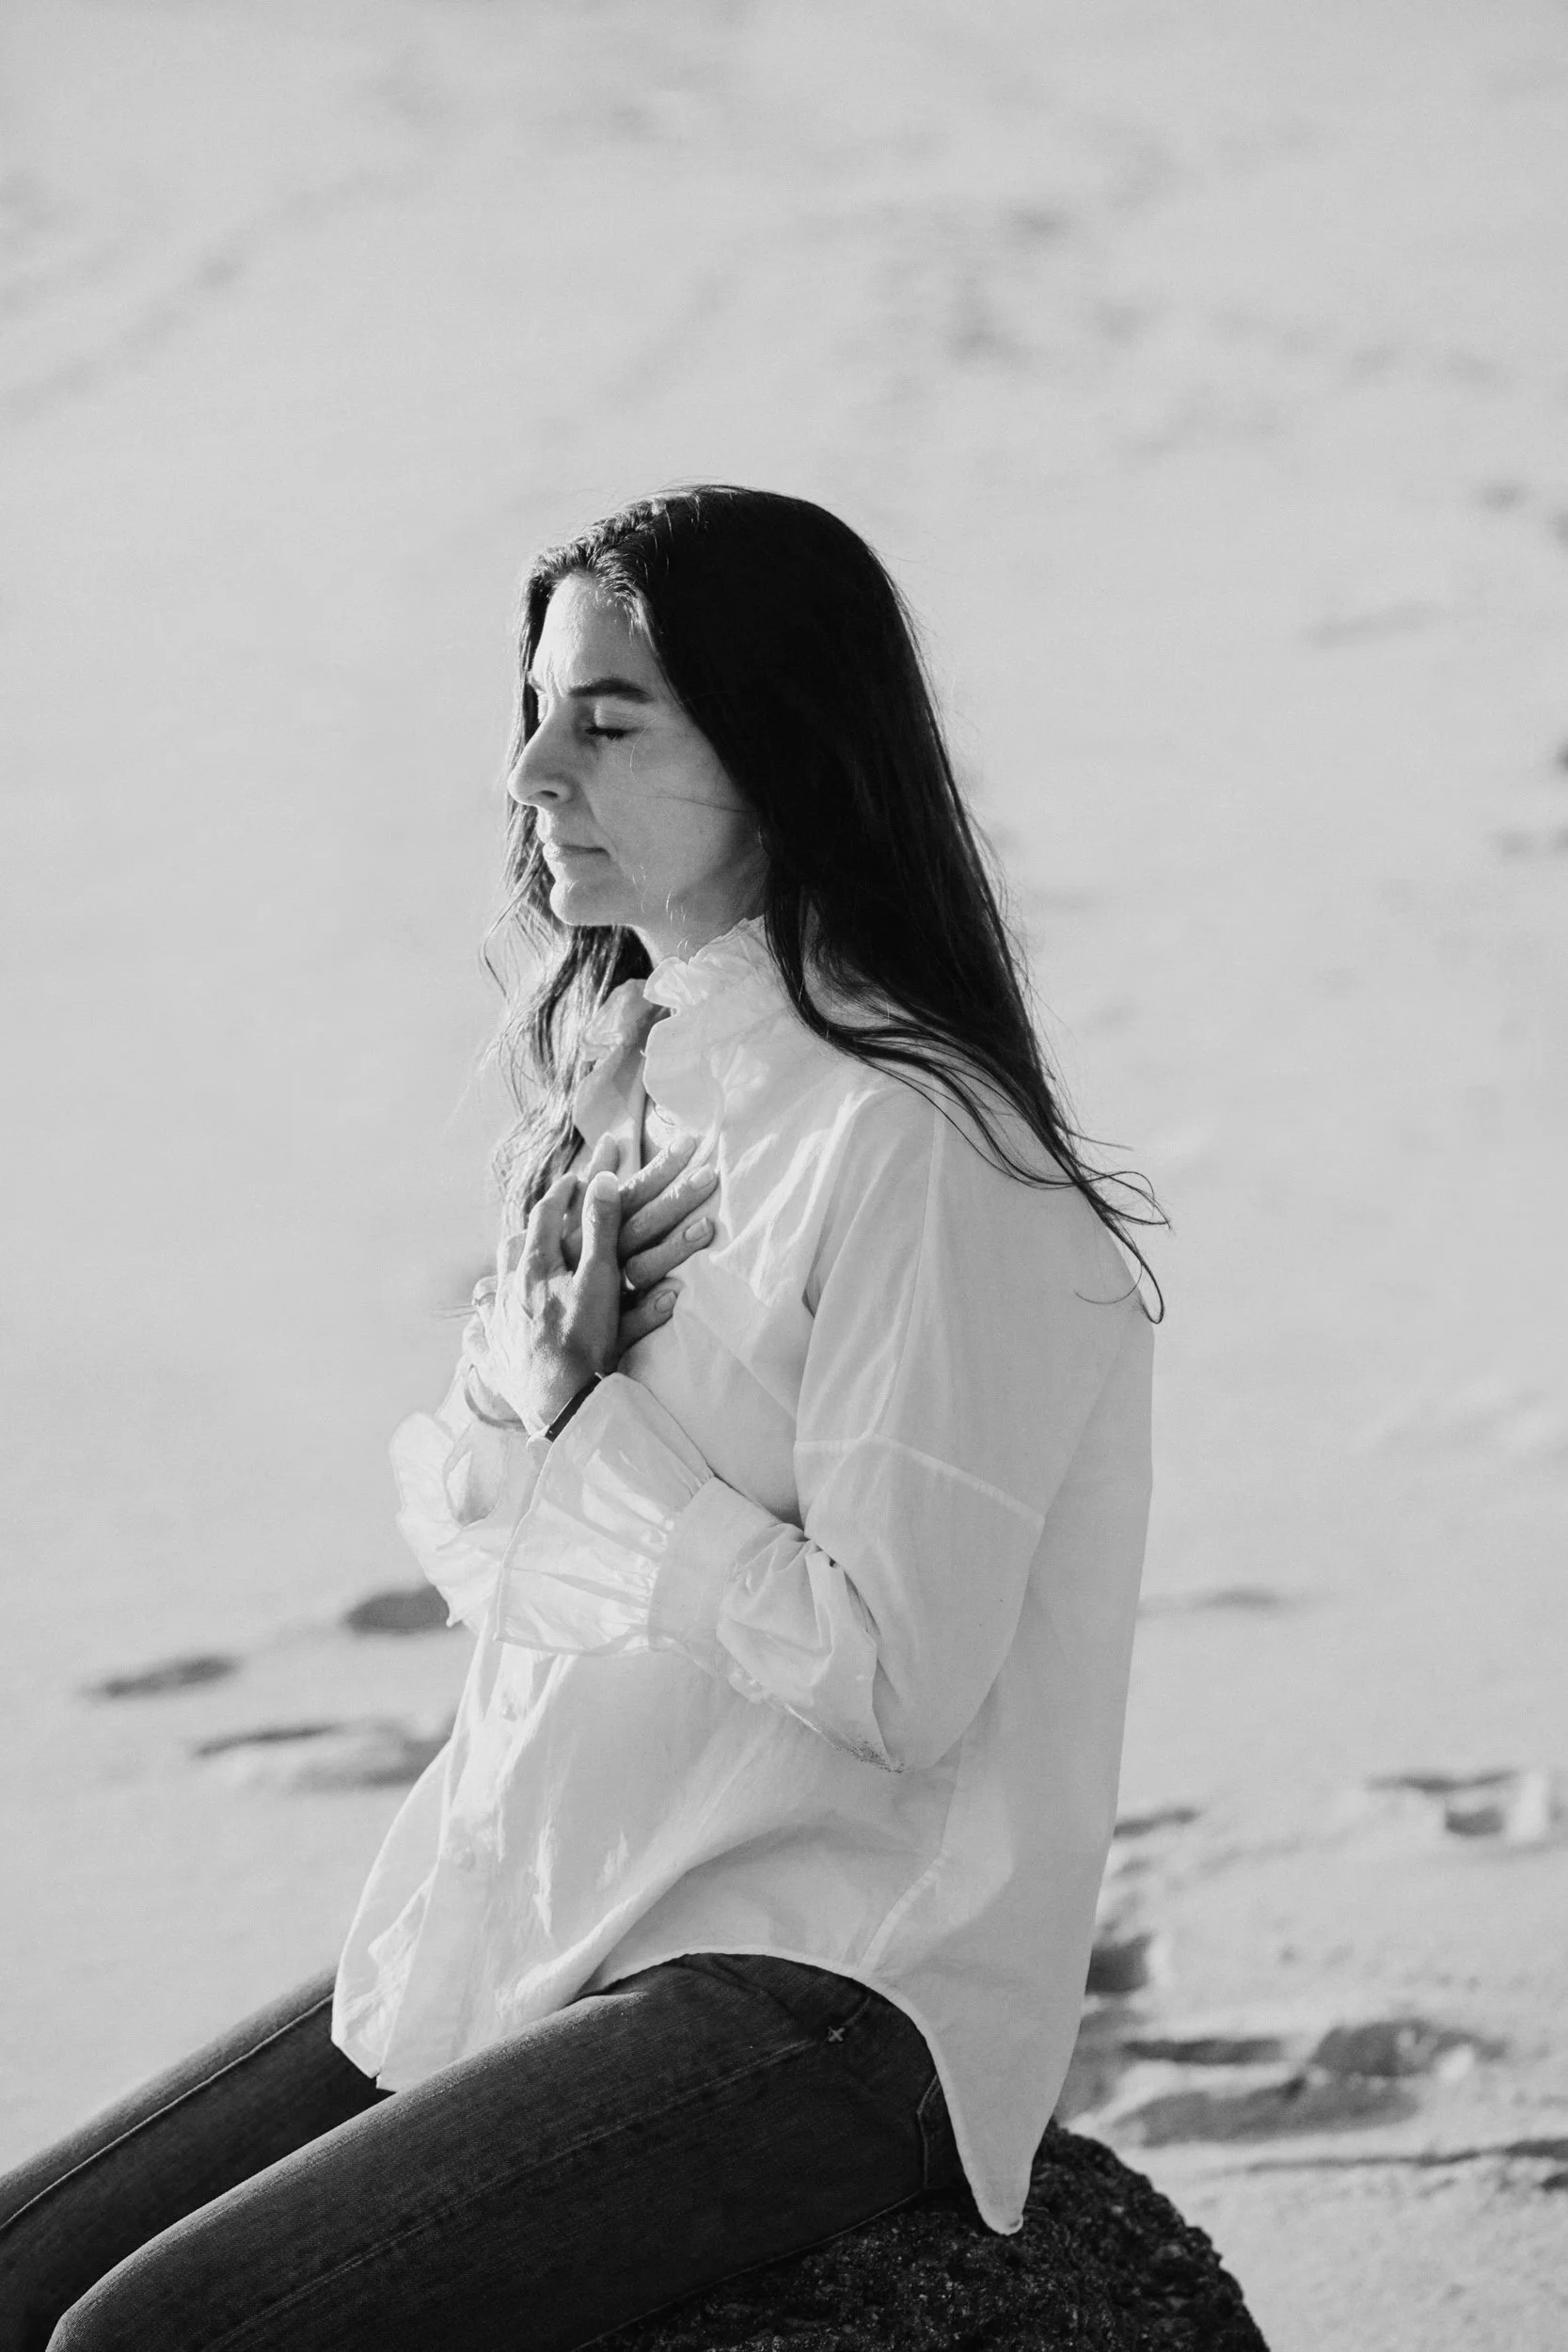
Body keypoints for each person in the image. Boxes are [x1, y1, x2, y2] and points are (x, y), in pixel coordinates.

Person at [0, 485, 1160, 2351]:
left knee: (151, 2338)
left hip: (827, 1976)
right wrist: (537, 1393)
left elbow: (899, 1675)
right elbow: (494, 1561)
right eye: (535, 712)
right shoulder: (631, 1087)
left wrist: (588, 1439)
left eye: (607, 722)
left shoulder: (921, 1151)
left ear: (781, 756)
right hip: (563, 1898)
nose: (531, 771)